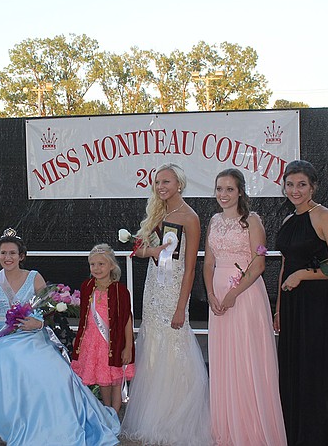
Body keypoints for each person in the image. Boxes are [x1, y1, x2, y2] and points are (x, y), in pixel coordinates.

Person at [0, 229, 121, 446]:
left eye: (12, 253)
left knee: (36, 367)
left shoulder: (34, 277)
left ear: (21, 256)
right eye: (3, 253)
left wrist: (38, 323)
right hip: (1, 334)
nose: (8, 257)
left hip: (30, 334)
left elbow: (47, 311)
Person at [120, 163, 212, 446]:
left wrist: (180, 306)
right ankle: (151, 414)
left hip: (174, 292)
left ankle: (175, 416)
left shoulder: (190, 217)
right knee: (153, 347)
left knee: (174, 347)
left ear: (179, 184)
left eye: (166, 182)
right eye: (158, 182)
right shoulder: (157, 213)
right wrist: (152, 250)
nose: (161, 187)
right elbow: (139, 251)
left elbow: (190, 268)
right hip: (153, 289)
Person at [202, 168, 286, 445]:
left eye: (229, 189)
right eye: (219, 189)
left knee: (248, 357)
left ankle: (252, 427)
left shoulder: (252, 221)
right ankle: (227, 426)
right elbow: (209, 263)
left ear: (240, 192)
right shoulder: (213, 221)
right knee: (224, 359)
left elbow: (259, 264)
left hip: (246, 295)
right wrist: (212, 294)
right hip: (219, 297)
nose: (223, 195)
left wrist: (233, 294)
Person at [274, 160, 328, 446]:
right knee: (295, 372)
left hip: (318, 306)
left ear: (313, 187)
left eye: (301, 184)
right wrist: (279, 308)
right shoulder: (287, 220)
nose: (295, 190)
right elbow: (284, 266)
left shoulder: (324, 216)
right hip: (293, 306)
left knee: (316, 373)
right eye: (290, 184)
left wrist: (304, 275)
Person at [71, 243, 135, 415]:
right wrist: (79, 339)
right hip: (93, 342)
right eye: (93, 264)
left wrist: (128, 346)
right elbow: (84, 317)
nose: (97, 268)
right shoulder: (87, 287)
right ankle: (107, 412)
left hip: (113, 342)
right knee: (102, 379)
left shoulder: (120, 290)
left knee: (115, 378)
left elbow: (127, 320)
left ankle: (115, 412)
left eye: (101, 264)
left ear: (112, 265)